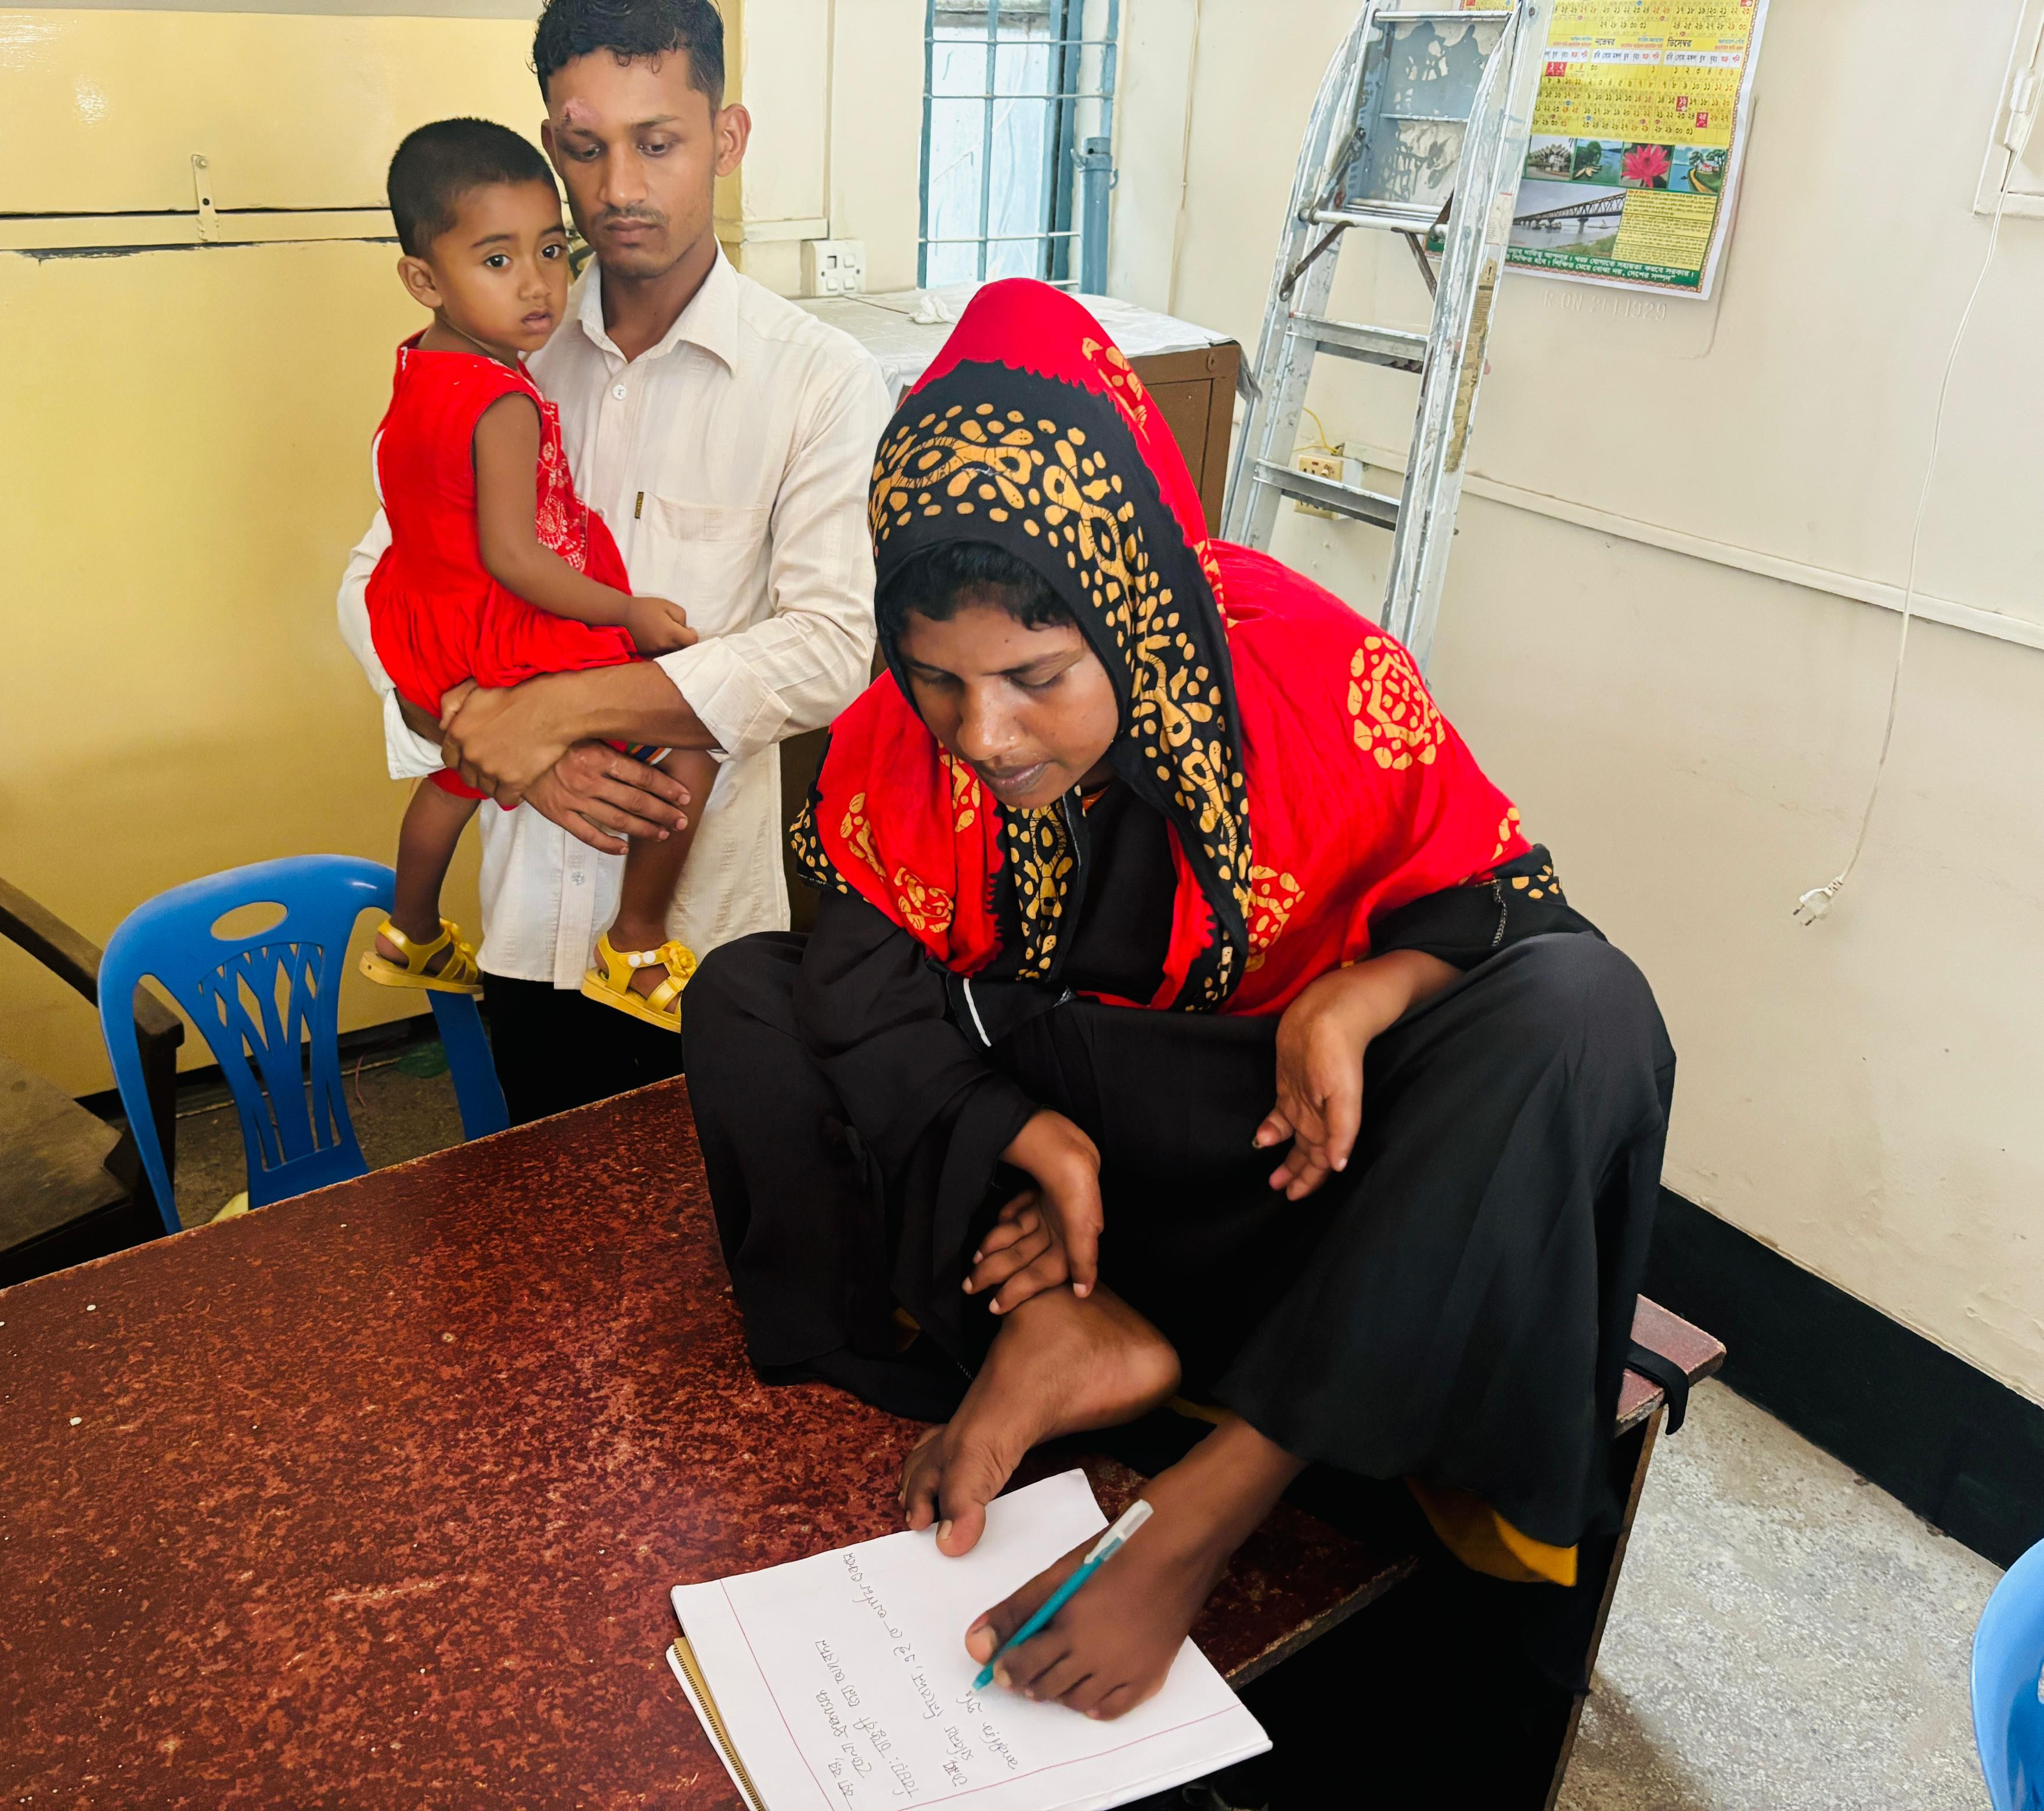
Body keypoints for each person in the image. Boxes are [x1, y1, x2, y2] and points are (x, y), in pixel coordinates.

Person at [683, 283, 1674, 1760]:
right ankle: (1075, 1329)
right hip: (1068, 1178)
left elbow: (1508, 902)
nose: (986, 737)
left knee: (1586, 1017)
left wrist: (1360, 992)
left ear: (1131, 601)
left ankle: (1218, 1490)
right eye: (938, 680)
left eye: (1036, 679)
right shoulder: (901, 740)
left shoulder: (1313, 675)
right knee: (745, 998)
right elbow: (859, 979)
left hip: (1286, 1175)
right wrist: (1018, 1138)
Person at [336, 0, 889, 1117]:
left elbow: (832, 647)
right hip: (528, 914)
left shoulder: (818, 381)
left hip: (703, 940)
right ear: (552, 146)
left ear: (726, 141)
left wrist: (564, 709)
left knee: (713, 1241)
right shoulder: (496, 360)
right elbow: (374, 582)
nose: (621, 187)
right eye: (587, 148)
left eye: (660, 142)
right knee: (548, 1242)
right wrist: (501, 734)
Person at [355, 118, 719, 1030]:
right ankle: (634, 945)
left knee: (456, 777)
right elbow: (515, 556)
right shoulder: (503, 398)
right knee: (688, 753)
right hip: (501, 618)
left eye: (551, 250)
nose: (537, 284)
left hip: (425, 614)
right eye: (497, 260)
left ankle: (408, 932)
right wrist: (628, 613)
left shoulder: (419, 366)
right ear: (424, 278)